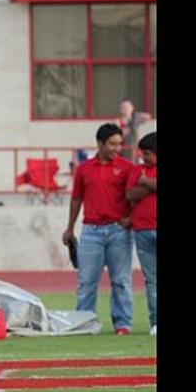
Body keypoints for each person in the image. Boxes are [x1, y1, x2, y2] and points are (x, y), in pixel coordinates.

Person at [62, 123, 136, 335]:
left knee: (121, 280)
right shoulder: (84, 169)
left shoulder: (127, 168)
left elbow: (136, 197)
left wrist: (131, 218)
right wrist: (69, 228)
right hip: (91, 232)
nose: (117, 148)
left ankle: (122, 323)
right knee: (86, 281)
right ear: (100, 143)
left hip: (118, 232)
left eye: (119, 144)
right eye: (112, 144)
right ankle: (85, 322)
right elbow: (76, 198)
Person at [125, 131, 156, 336]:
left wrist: (145, 183)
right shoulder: (137, 170)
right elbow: (130, 195)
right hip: (143, 230)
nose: (143, 158)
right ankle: (156, 321)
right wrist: (150, 186)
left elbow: (138, 190)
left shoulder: (141, 176)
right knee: (152, 279)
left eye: (147, 154)